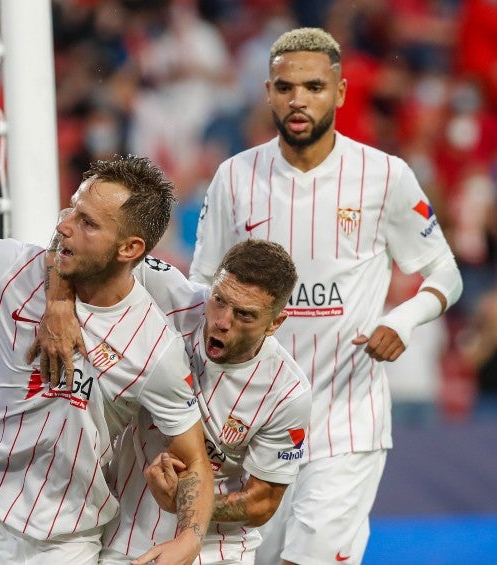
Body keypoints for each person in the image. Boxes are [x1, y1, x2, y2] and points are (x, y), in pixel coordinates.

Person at [0, 113, 214, 565]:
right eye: (71, 208)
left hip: (65, 538)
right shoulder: (10, 268)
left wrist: (188, 539)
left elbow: (195, 462)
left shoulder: (155, 347)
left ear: (129, 248)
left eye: (89, 223)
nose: (66, 225)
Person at [188, 28, 462, 564]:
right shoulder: (233, 177)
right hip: (254, 420)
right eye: (286, 87)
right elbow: (201, 287)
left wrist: (401, 321)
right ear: (267, 91)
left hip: (347, 419)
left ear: (338, 92)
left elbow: (445, 272)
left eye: (313, 86)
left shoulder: (386, 176)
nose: (298, 99)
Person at [99, 240, 311, 565]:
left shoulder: (287, 392)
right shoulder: (169, 294)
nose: (222, 321)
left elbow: (262, 503)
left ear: (274, 323)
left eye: (245, 315)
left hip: (217, 551)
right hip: (122, 535)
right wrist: (59, 306)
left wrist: (183, 502)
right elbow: (91, 250)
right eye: (219, 300)